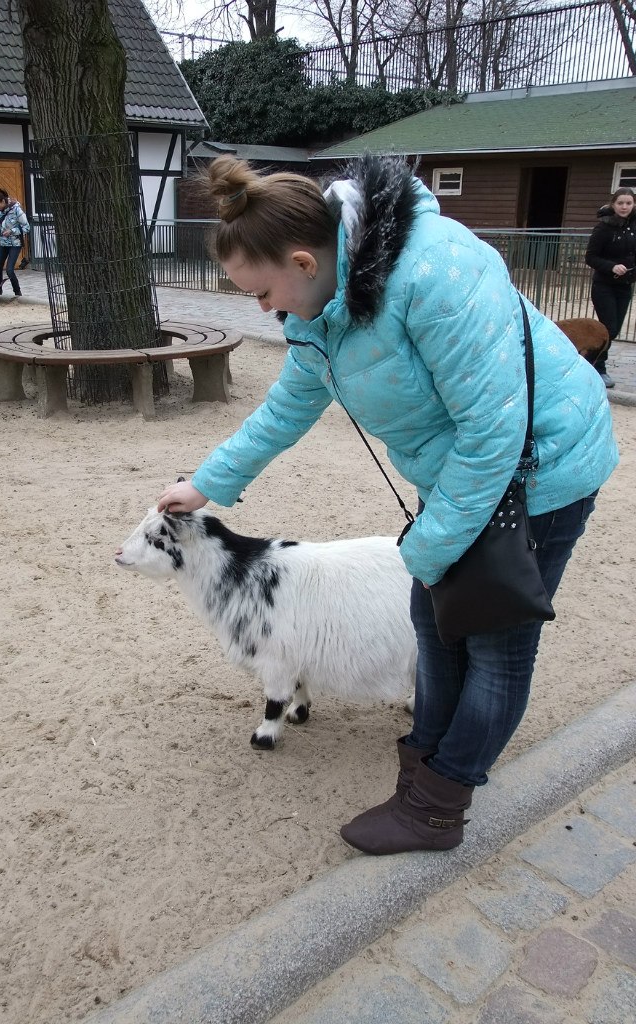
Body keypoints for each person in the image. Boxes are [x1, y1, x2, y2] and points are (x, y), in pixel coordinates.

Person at [157, 154, 618, 857]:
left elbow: (493, 431)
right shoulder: (321, 310)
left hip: (544, 467)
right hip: (462, 471)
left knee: (495, 646)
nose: (264, 309)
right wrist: (206, 484)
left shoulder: (435, 274)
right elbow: (288, 407)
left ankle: (435, 808)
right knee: (434, 623)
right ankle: (425, 763)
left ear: (304, 261)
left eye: (262, 292)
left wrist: (428, 549)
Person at [585, 186, 636, 388]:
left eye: (628, 203)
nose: (624, 207)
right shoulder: (603, 228)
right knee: (609, 328)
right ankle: (598, 368)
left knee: (613, 332)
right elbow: (591, 257)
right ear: (613, 204)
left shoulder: (633, 227)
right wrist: (611, 266)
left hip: (624, 286)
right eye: (620, 203)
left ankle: (588, 360)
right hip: (604, 285)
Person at [0, 188, 31, 297]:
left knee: (9, 270)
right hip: (3, 243)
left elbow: (26, 227)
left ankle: (17, 292)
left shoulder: (16, 210)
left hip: (15, 243)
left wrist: (12, 231)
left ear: (3, 201)